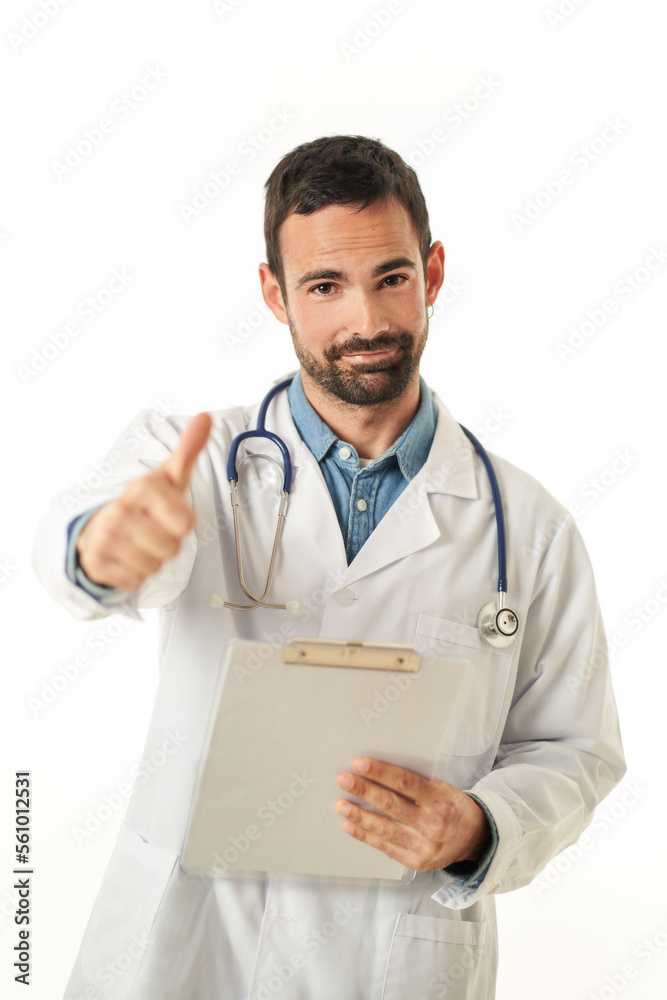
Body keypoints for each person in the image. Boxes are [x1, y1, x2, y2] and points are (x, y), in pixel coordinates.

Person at [33, 134, 626, 1000]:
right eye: (324, 287)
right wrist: (104, 549)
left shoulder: (525, 527)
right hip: (187, 948)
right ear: (273, 293)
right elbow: (75, 547)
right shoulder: (197, 462)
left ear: (433, 271)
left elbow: (576, 749)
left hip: (392, 956)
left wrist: (476, 826)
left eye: (391, 277)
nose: (368, 323)